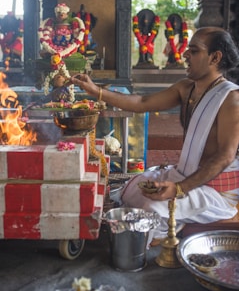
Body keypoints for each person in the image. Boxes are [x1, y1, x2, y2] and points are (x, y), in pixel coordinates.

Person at [70, 27, 239, 246]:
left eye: (194, 51)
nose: (185, 55)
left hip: (216, 190)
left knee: (152, 208)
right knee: (131, 189)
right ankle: (176, 218)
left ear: (215, 57)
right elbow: (142, 103)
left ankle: (174, 229)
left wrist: (179, 189)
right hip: (184, 175)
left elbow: (225, 157)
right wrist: (95, 91)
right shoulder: (186, 88)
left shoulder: (231, 99)